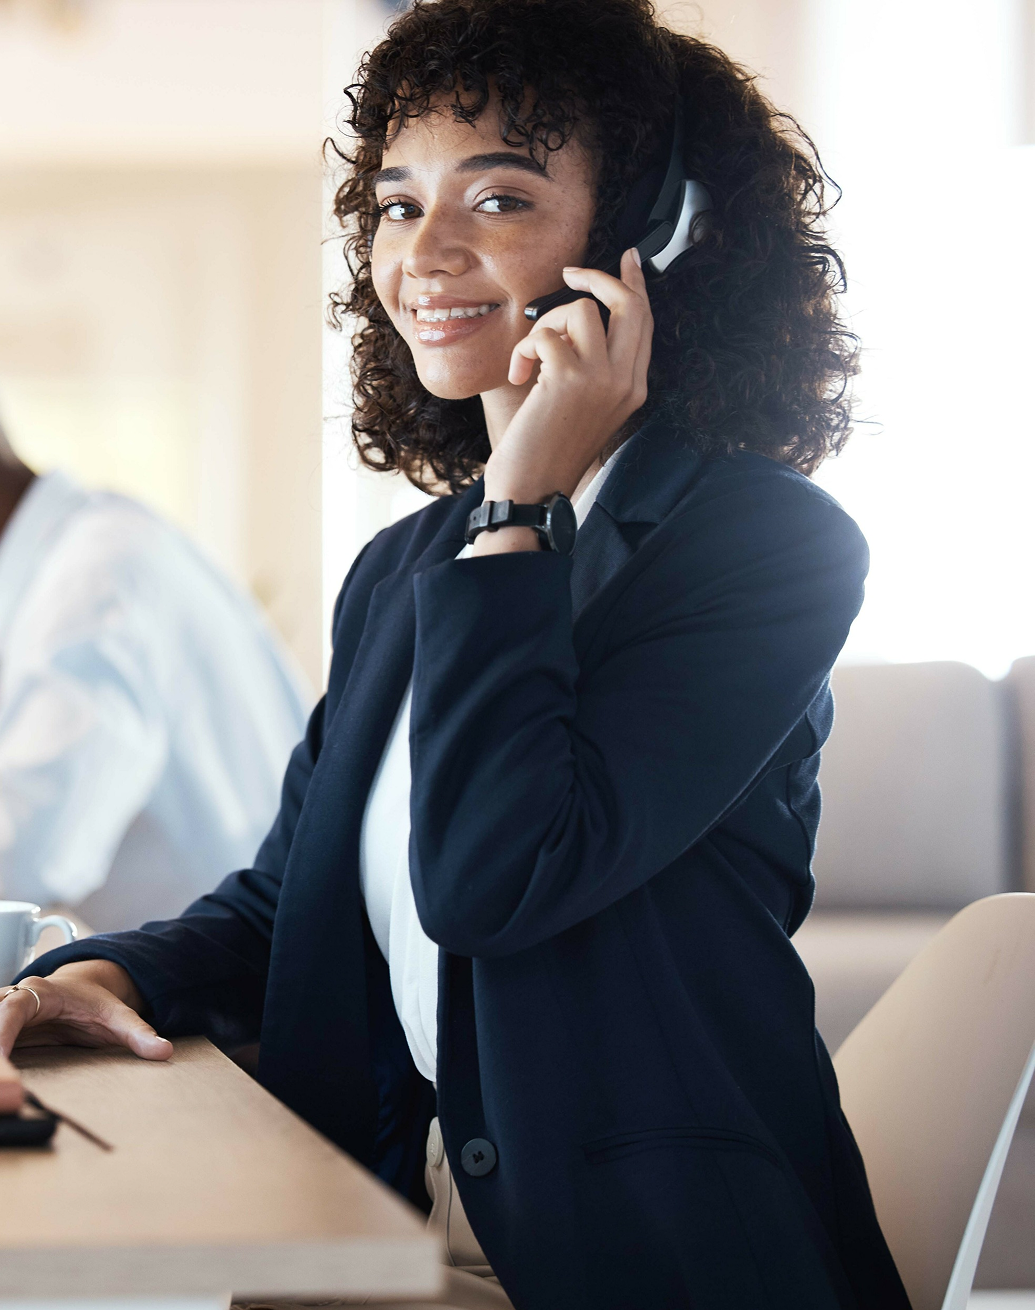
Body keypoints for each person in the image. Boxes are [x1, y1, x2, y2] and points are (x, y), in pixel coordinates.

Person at [0, 1, 912, 1305]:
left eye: (496, 197)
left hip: (633, 1257)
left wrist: (524, 494)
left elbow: (494, 876)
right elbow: (288, 900)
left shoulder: (767, 548)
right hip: (378, 1209)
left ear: (649, 240)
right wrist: (95, 972)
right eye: (392, 202)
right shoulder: (406, 569)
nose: (421, 251)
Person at [0, 420, 311, 932]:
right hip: (221, 969)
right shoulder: (104, 541)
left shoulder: (94, 586)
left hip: (223, 990)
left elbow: (23, 858)